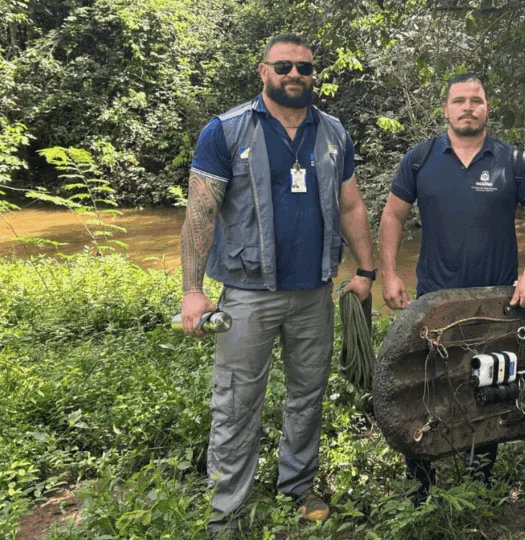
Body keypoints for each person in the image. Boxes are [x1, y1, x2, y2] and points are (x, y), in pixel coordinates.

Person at [179, 34, 375, 536]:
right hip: (247, 294)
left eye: (305, 68)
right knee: (237, 400)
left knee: (307, 396)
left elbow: (351, 206)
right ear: (263, 71)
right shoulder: (226, 131)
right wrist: (192, 290)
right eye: (284, 66)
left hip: (315, 291)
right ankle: (227, 511)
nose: (295, 75)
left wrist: (367, 270)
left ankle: (299, 485)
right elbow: (201, 211)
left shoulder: (333, 133)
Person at [378, 73, 525, 501]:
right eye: (459, 100)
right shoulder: (420, 159)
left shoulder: (514, 162)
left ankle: (481, 476)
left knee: (492, 383)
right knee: (428, 386)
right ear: (445, 109)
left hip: (496, 301)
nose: (468, 107)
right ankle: (420, 478)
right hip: (434, 301)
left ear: (487, 108)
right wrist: (389, 273)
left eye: (476, 100)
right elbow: (391, 216)